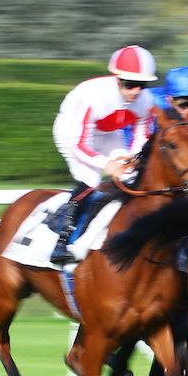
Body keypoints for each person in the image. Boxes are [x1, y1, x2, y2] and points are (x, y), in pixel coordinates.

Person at [51, 44, 157, 264]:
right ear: (117, 78)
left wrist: (133, 157)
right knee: (91, 179)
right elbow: (79, 145)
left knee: (131, 177)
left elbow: (142, 134)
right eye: (130, 84)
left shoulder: (146, 101)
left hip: (108, 133)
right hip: (72, 134)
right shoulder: (93, 97)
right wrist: (107, 165)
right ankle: (62, 240)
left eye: (142, 85)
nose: (136, 91)